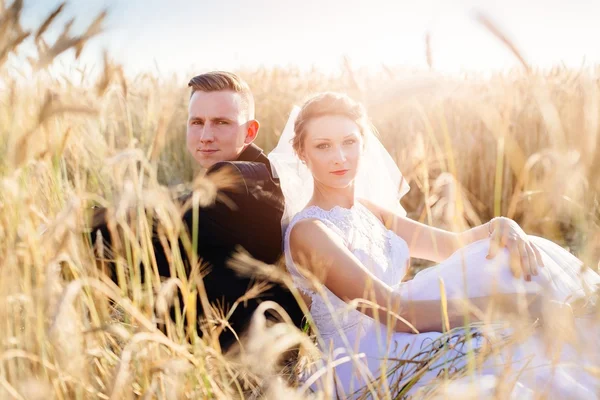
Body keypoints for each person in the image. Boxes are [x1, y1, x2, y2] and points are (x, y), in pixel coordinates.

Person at [268, 92, 600, 398]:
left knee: (502, 256)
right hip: (367, 358)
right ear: (301, 152)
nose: (339, 157)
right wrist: (512, 306)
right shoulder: (309, 230)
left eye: (349, 142)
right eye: (322, 146)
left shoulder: (367, 209)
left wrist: (503, 225)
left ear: (363, 144)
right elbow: (396, 313)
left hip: (400, 331)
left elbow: (453, 246)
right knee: (508, 350)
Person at [90, 71, 304, 351]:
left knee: (101, 240)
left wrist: (75, 220)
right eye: (197, 122)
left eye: (221, 123)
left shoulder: (240, 177)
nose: (205, 136)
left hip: (233, 356)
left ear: (250, 131)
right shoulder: (265, 173)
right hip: (232, 335)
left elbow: (159, 217)